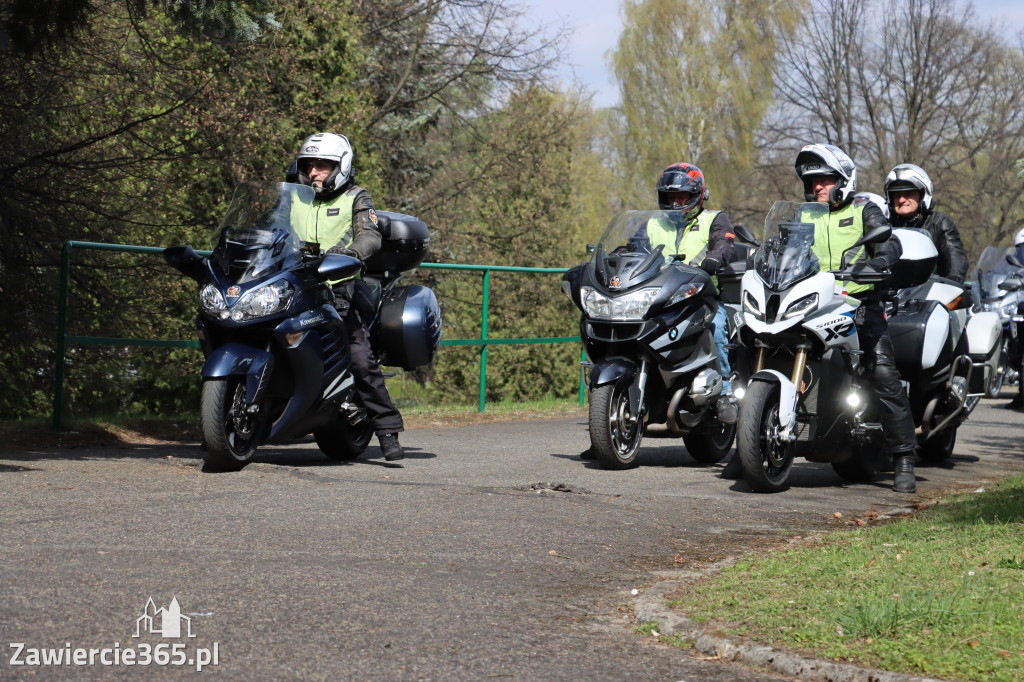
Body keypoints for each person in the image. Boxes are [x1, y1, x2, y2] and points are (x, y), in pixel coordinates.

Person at [791, 143, 919, 492]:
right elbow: (784, 248)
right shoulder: (805, 215)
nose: (817, 186)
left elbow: (889, 244)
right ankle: (750, 447)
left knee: (883, 372)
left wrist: (879, 263)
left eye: (825, 179)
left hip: (858, 303)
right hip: (809, 303)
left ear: (844, 179)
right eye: (812, 180)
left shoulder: (864, 210)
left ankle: (904, 457)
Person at [291, 132, 406, 461]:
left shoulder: (357, 197)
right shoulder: (296, 198)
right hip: (294, 282)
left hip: (337, 287)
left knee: (358, 355)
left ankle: (386, 429)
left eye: (322, 166)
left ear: (340, 166)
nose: (313, 172)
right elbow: (272, 228)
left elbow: (370, 236)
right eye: (309, 165)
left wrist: (352, 252)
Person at [647, 162, 739, 425]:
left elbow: (725, 242)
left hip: (701, 297)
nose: (675, 203)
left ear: (697, 195)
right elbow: (636, 245)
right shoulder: (654, 223)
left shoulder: (714, 218)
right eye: (669, 197)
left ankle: (725, 394)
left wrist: (715, 258)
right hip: (660, 298)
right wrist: (618, 255)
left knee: (716, 328)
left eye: (681, 197)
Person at [884, 163, 968, 283]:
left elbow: (956, 264)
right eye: (897, 195)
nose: (902, 199)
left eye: (908, 193)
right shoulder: (885, 228)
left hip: (932, 295)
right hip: (892, 296)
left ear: (922, 195)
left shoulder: (939, 223)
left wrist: (952, 284)